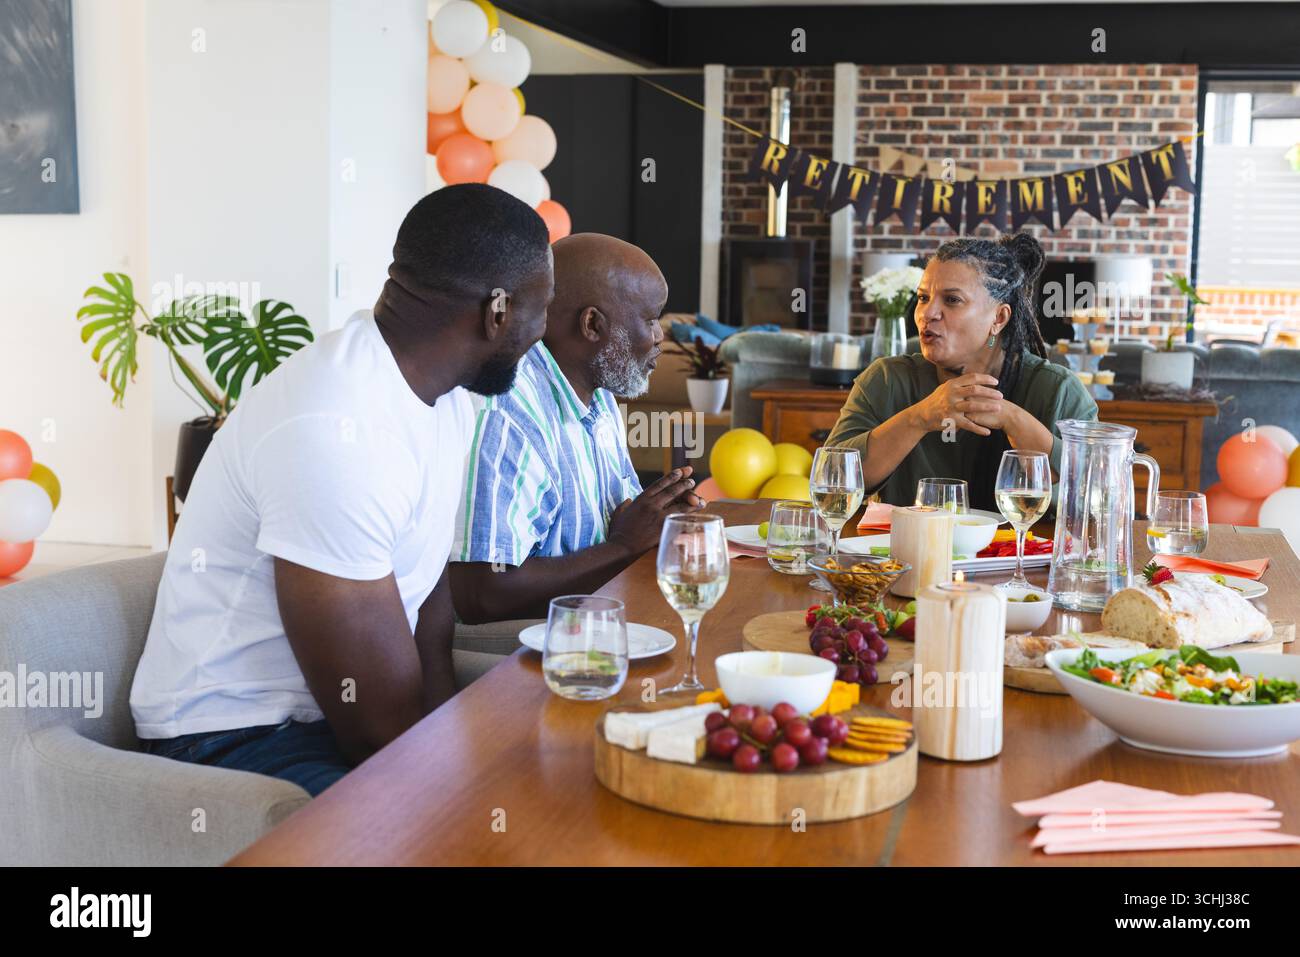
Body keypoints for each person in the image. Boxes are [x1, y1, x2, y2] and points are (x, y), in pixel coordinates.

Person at [130, 184, 554, 796]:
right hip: (234, 735)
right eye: (543, 307)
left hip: (331, 720)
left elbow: (427, 597)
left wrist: (451, 734)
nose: (541, 332)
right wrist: (466, 779)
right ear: (497, 313)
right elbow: (375, 731)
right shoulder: (337, 429)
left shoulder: (442, 396)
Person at [449, 233, 702, 625]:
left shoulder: (597, 393)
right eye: (651, 319)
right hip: (517, 644)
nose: (659, 337)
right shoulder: (508, 414)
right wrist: (622, 546)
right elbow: (481, 594)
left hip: (593, 614)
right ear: (592, 324)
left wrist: (654, 518)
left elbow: (615, 522)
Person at [826, 233, 1097, 511]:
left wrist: (1012, 418)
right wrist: (920, 417)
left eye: (952, 300)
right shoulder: (885, 381)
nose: (927, 313)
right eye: (923, 297)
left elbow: (1098, 500)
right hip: (907, 554)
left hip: (1027, 555)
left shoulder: (1058, 390)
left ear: (999, 318)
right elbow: (833, 485)